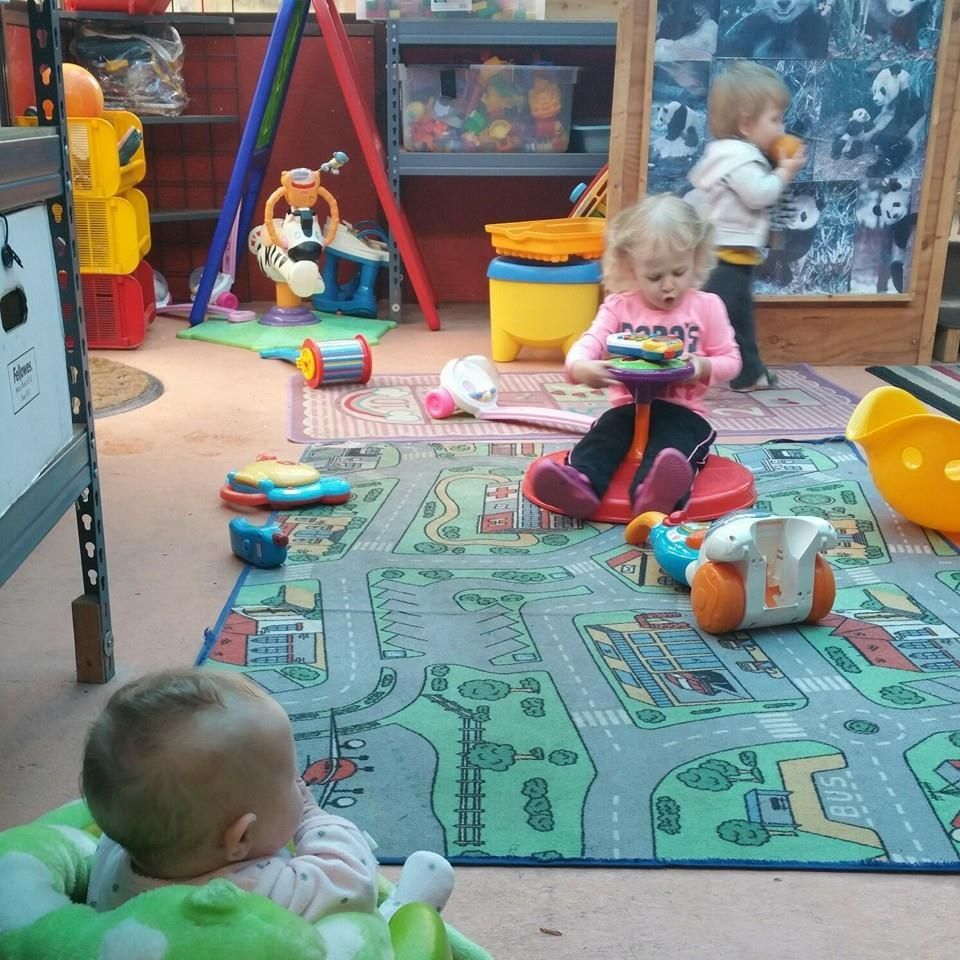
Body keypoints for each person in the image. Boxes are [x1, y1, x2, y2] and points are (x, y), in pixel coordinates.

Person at [82, 669, 453, 921]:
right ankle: (405, 909)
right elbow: (351, 884)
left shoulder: (117, 856)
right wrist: (313, 817)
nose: (301, 784)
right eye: (290, 781)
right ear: (241, 837)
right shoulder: (256, 893)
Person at [529, 193, 741, 520]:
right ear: (631, 268)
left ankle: (653, 493)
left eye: (679, 272)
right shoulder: (619, 307)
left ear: (696, 259)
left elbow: (732, 360)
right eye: (655, 277)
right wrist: (581, 367)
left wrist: (702, 365)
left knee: (672, 449)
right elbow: (588, 344)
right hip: (627, 408)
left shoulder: (707, 306)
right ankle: (581, 483)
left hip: (683, 411)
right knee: (605, 434)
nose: (668, 286)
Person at [687, 60, 807, 391]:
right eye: (775, 119)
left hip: (729, 255)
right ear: (745, 125)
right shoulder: (741, 159)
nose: (781, 128)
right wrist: (784, 172)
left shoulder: (730, 153)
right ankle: (683, 368)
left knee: (739, 318)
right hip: (724, 257)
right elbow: (758, 194)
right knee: (719, 318)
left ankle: (747, 372)